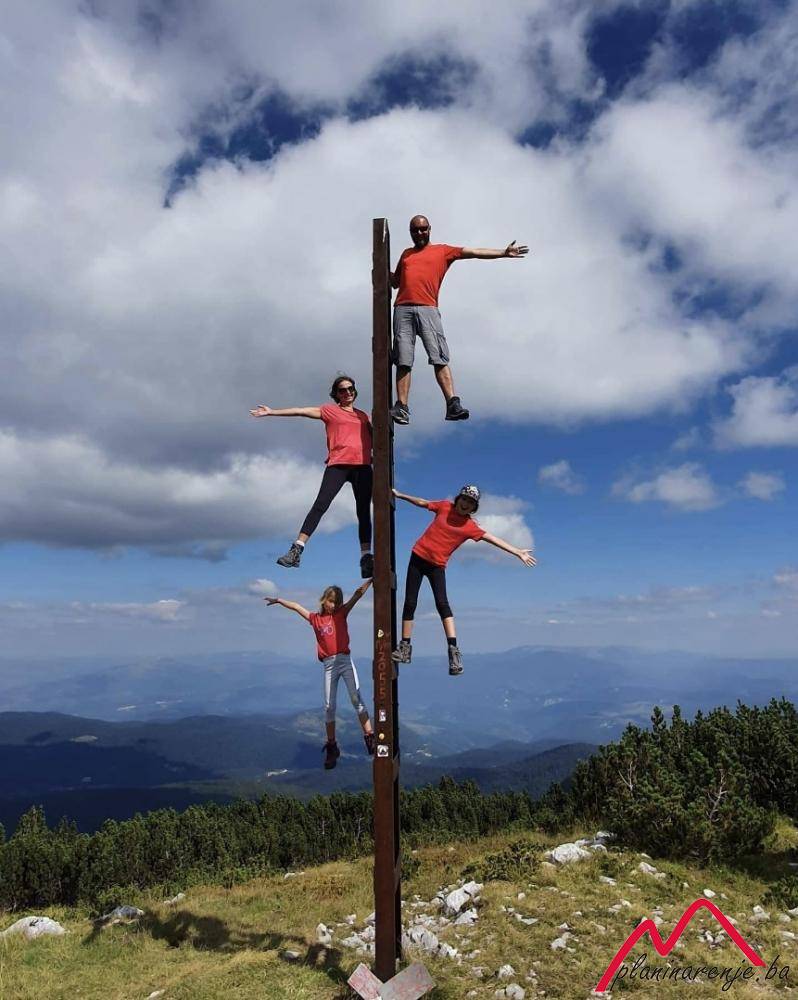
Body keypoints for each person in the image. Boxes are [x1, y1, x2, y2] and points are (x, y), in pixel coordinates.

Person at [389, 215, 529, 425]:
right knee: (403, 359)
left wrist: (503, 252)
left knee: (439, 356)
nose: (419, 233)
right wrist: (379, 268)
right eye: (415, 230)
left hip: (428, 308)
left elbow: (474, 252)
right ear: (410, 232)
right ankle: (402, 407)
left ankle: (452, 404)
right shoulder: (406, 254)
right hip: (403, 309)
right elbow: (395, 282)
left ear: (429, 229)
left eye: (423, 229)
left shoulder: (442, 251)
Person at [392, 484, 535, 675]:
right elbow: (423, 502)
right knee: (410, 602)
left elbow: (492, 539)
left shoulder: (470, 527)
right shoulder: (444, 506)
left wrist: (517, 552)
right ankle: (405, 648)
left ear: (474, 507)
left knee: (442, 604)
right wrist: (400, 495)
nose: (466, 504)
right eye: (464, 499)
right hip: (418, 557)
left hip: (437, 566)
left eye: (471, 502)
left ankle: (453, 652)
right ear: (458, 499)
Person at [250, 374, 373, 577]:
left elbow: (375, 439)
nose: (347, 392)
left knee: (363, 511)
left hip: (362, 467)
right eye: (342, 390)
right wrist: (272, 412)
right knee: (320, 505)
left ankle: (366, 558)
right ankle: (296, 550)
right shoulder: (330, 411)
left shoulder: (364, 416)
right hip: (338, 465)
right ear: (336, 394)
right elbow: (300, 411)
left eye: (350, 388)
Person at [265, 580, 375, 770]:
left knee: (355, 698)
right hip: (329, 665)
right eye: (331, 601)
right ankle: (332, 746)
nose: (334, 605)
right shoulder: (315, 619)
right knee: (329, 706)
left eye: (337, 602)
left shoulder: (341, 613)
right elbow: (297, 607)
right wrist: (279, 600)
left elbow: (357, 595)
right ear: (324, 600)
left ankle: (369, 736)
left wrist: (372, 579)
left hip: (345, 661)